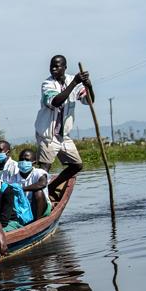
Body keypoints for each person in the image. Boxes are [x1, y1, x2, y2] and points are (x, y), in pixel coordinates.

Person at [36, 54, 91, 200]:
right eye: (51, 66)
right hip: (48, 135)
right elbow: (56, 102)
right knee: (43, 170)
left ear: (65, 68)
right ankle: (40, 199)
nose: (53, 69)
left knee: (77, 165)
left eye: (57, 66)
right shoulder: (47, 84)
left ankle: (52, 187)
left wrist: (88, 85)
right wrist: (74, 83)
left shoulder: (73, 81)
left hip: (64, 136)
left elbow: (88, 101)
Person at [4, 149, 50, 220]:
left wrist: (21, 189)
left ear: (34, 162)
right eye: (21, 159)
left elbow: (42, 184)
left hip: (40, 205)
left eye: (27, 160)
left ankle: (37, 220)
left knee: (38, 192)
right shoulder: (14, 177)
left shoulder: (39, 172)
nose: (24, 162)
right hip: (23, 206)